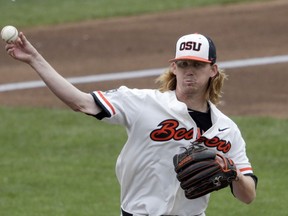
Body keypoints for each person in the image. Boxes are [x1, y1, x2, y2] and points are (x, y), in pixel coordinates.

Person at [5, 32, 257, 216]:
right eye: (183, 64)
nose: (189, 71)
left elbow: (248, 196)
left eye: (197, 65)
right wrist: (35, 59)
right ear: (174, 67)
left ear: (213, 70)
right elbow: (81, 102)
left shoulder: (226, 129)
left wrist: (233, 172)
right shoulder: (142, 103)